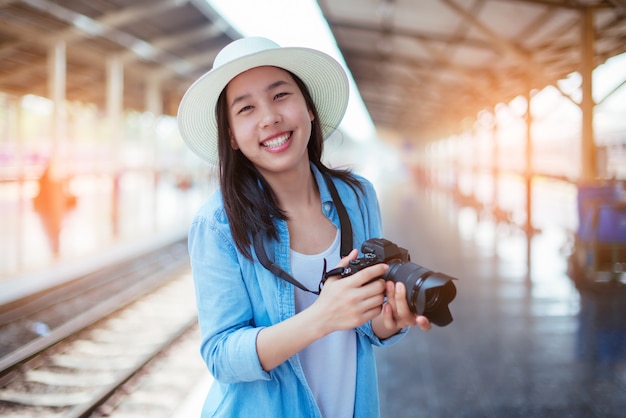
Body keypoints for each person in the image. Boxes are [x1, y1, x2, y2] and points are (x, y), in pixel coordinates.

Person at [177, 36, 431, 418]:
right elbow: (221, 356)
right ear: (231, 135)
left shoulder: (358, 197)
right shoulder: (217, 224)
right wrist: (320, 318)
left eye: (280, 96)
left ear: (309, 109)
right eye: (246, 108)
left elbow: (365, 328)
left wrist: (391, 319)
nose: (269, 117)